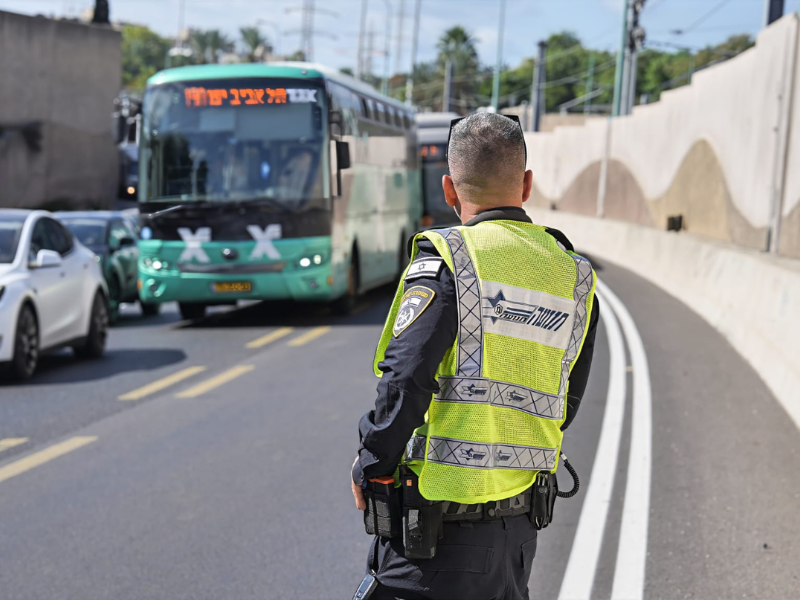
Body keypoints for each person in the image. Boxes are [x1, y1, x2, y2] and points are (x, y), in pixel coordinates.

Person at [350, 113, 600, 600]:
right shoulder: (575, 276)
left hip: (434, 543)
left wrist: (372, 461)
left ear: (449, 188)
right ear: (526, 184)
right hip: (517, 539)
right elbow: (564, 403)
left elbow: (405, 380)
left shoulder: (448, 260)